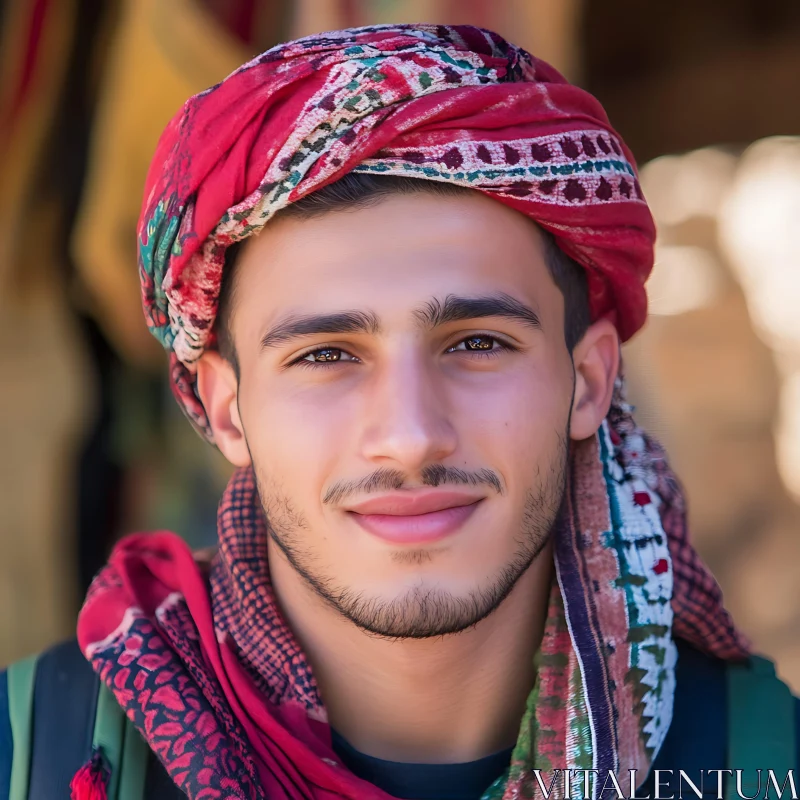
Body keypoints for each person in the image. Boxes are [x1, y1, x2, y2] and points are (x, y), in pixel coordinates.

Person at [2, 24, 798, 800]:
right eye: (325, 356)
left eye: (477, 344)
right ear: (226, 409)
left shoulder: (760, 758)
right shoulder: (37, 752)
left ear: (587, 381)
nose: (411, 437)